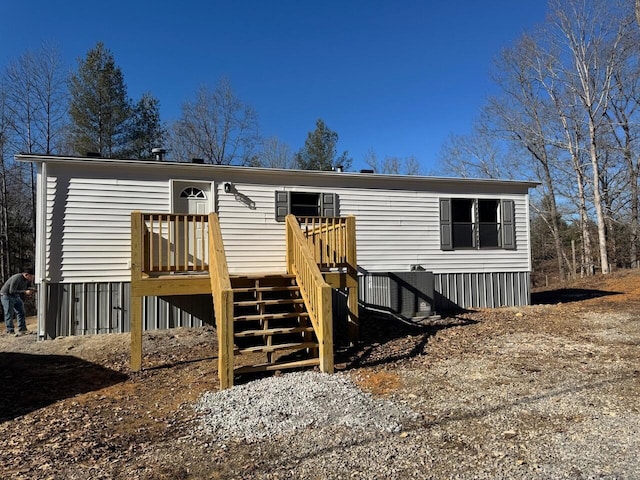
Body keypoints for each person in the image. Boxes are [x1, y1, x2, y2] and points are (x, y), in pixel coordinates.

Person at [1, 269, 34, 335]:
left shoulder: (25, 280)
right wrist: (25, 292)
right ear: (26, 274)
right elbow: (11, 290)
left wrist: (30, 290)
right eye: (31, 277)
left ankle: (22, 329)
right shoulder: (17, 278)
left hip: (15, 296)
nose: (32, 278)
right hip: (7, 296)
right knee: (9, 314)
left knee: (21, 312)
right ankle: (10, 331)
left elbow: (21, 288)